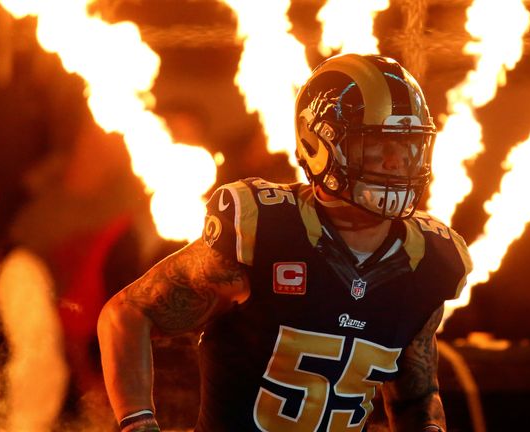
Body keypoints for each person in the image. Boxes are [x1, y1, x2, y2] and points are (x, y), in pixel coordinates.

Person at [98, 53, 472, 432]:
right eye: (376, 144)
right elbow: (127, 314)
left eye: (408, 145)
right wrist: (139, 424)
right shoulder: (264, 232)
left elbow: (417, 396)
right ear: (320, 143)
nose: (397, 162)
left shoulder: (428, 260)